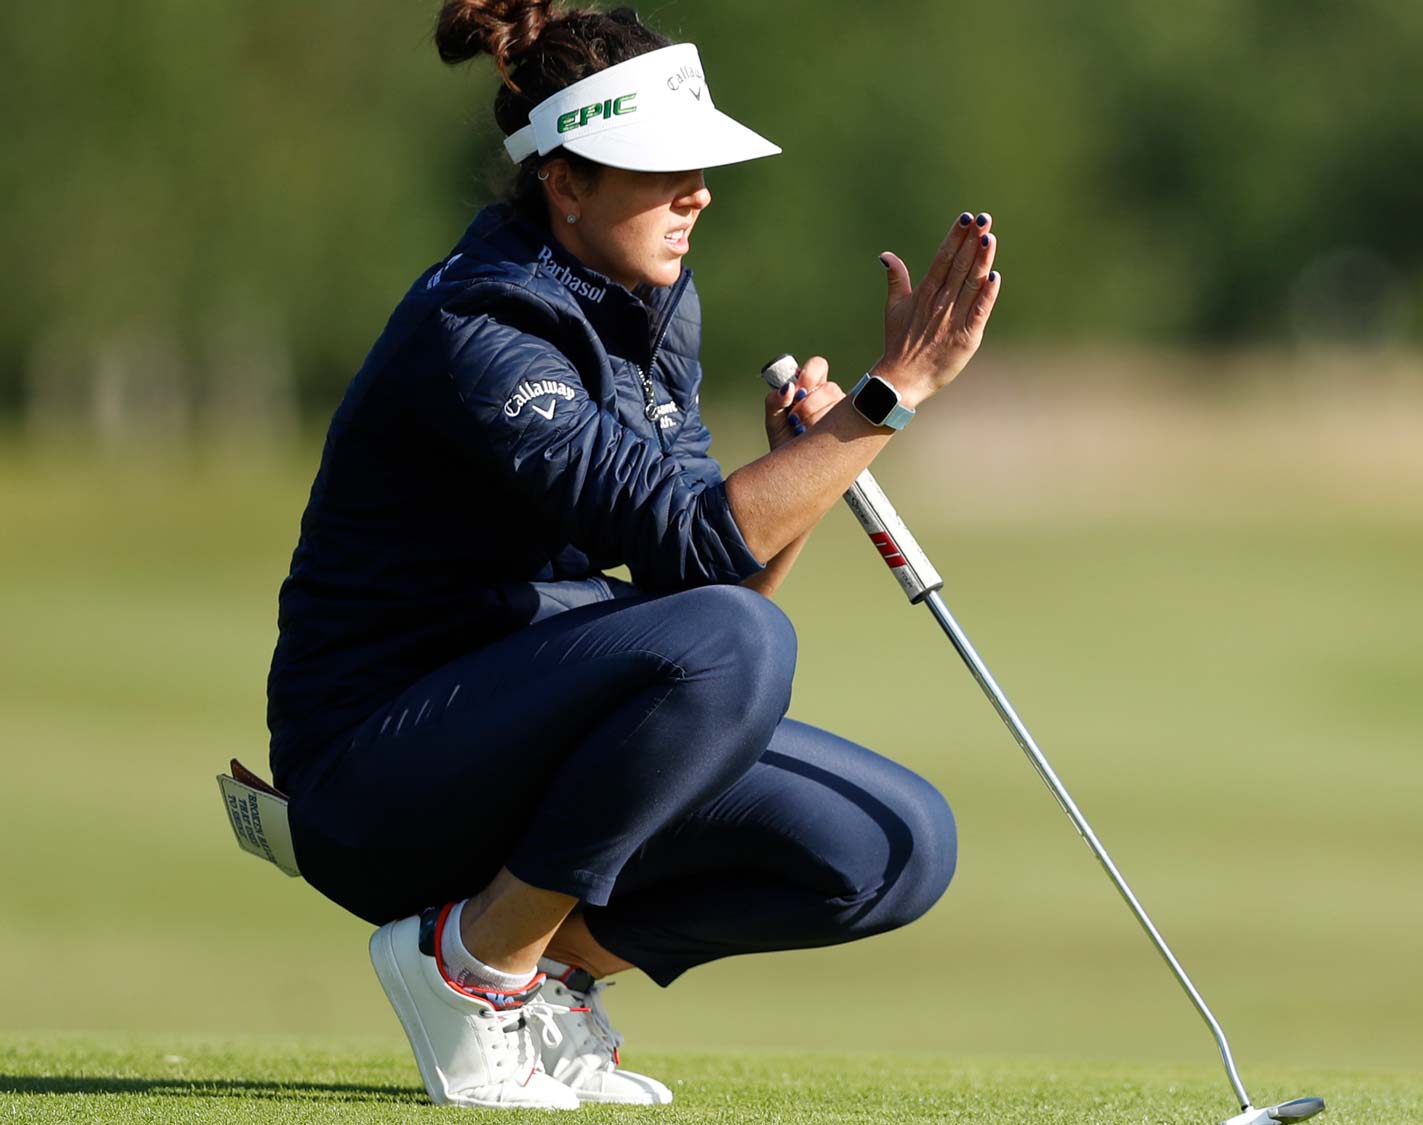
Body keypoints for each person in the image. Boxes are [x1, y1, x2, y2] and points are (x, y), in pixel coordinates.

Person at [264, 0, 1002, 1109]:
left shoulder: (648, 301)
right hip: (378, 770)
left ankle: (546, 980)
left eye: (699, 167)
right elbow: (708, 575)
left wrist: (800, 472)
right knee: (737, 643)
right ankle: (471, 970)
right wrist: (884, 402)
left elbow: (704, 584)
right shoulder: (483, 326)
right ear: (564, 183)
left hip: (530, 737)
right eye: (662, 171)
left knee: (894, 848)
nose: (697, 193)